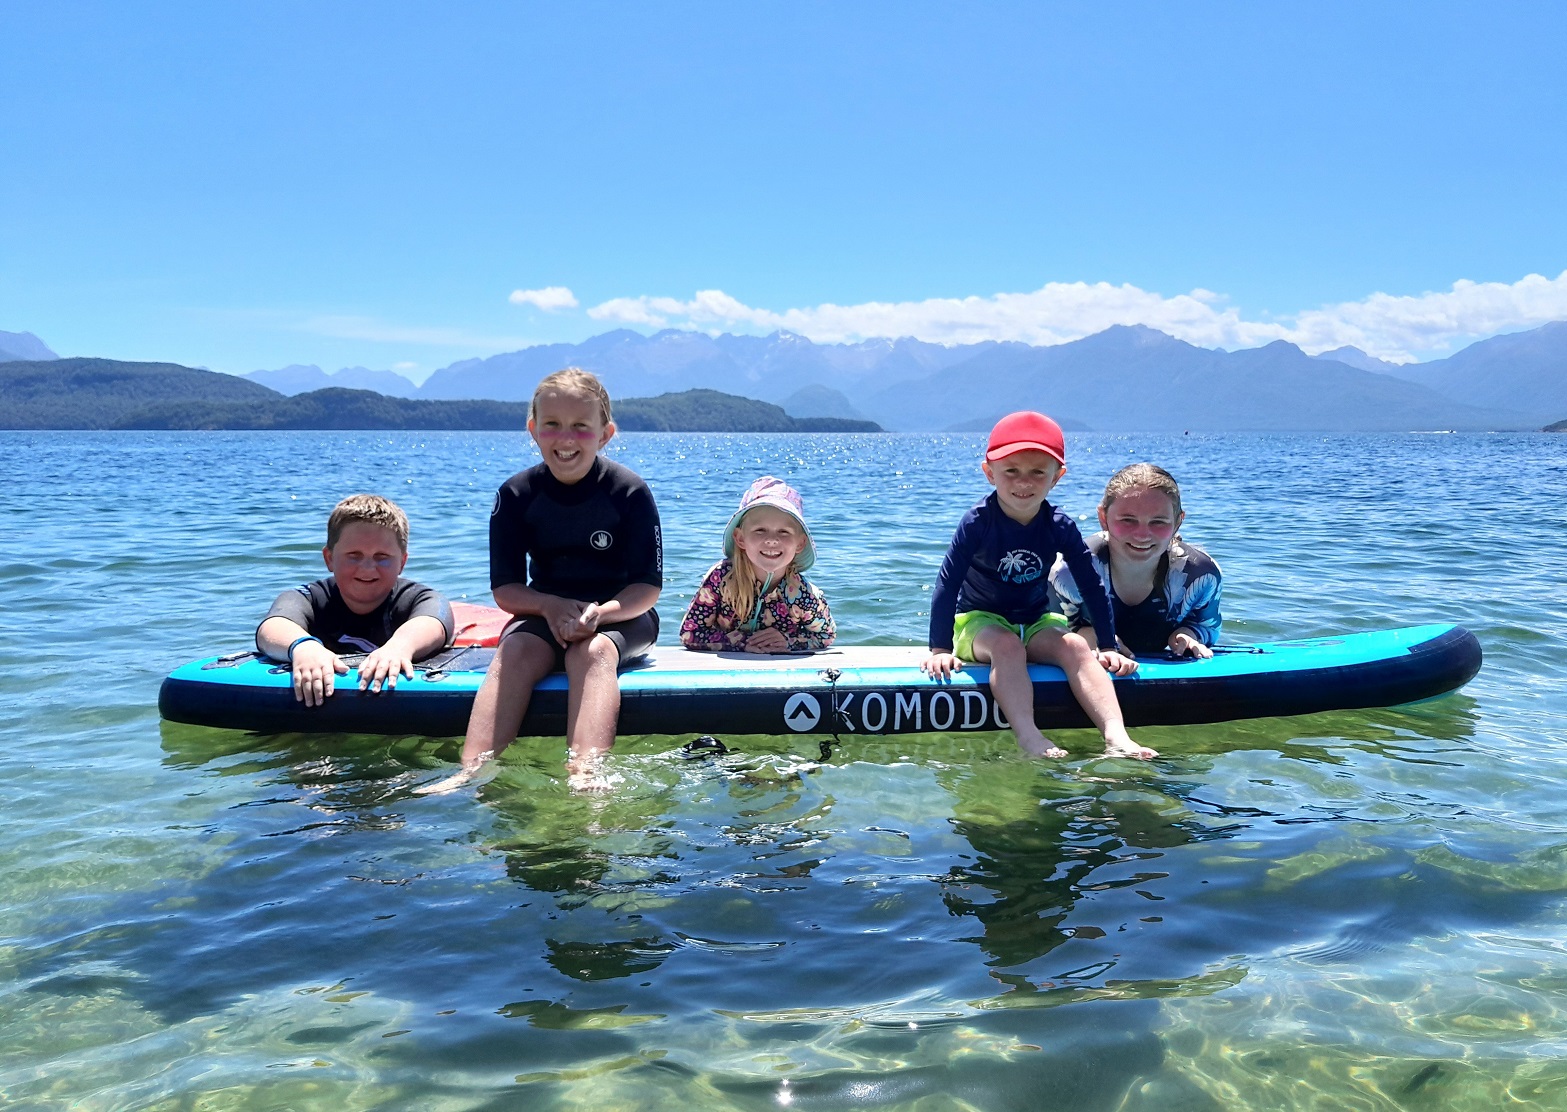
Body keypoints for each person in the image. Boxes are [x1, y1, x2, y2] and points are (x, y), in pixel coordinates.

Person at [425, 367, 662, 793]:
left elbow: (647, 588)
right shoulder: (516, 496)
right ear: (533, 430)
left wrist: (601, 613)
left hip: (621, 614)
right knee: (514, 649)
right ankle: (472, 769)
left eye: (580, 427)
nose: (566, 439)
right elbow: (506, 590)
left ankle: (585, 773)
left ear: (605, 433)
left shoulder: (629, 492)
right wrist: (550, 606)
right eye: (552, 425)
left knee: (592, 653)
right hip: (542, 613)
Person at [922, 412, 1157, 760]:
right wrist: (940, 649)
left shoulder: (1059, 524)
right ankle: (1029, 737)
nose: (1024, 482)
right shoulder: (976, 523)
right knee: (1007, 648)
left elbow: (1092, 585)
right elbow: (947, 584)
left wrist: (1107, 645)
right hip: (978, 622)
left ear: (1056, 478)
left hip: (1035, 621)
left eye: (1037, 472)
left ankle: (1116, 736)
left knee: (1077, 646)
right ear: (990, 473)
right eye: (1011, 471)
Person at [256, 494, 454, 707]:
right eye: (354, 555)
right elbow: (273, 625)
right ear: (329, 558)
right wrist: (304, 648)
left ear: (402, 562)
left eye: (382, 557)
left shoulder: (418, 598)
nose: (368, 568)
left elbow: (435, 620)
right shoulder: (310, 597)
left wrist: (399, 647)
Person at [1050, 462, 1222, 659]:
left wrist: (1188, 635)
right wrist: (1090, 636)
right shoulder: (1068, 572)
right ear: (1103, 518)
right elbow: (1043, 629)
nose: (1142, 535)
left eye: (1158, 522)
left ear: (1178, 522)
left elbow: (1207, 627)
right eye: (1127, 520)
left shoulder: (1200, 575)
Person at [679, 476, 835, 653]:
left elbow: (825, 636)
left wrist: (788, 642)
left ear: (799, 543)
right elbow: (690, 633)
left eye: (784, 532)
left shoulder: (803, 593)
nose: (772, 540)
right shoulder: (721, 578)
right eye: (760, 530)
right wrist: (741, 642)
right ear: (740, 538)